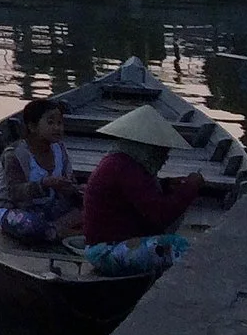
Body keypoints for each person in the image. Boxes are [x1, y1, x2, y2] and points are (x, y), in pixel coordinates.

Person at [80, 105, 205, 277]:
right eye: (161, 153)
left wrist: (165, 185)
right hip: (106, 250)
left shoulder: (122, 164)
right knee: (178, 247)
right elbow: (161, 214)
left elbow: (136, 195)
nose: (164, 159)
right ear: (147, 149)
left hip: (113, 243)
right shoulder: (124, 168)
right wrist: (190, 188)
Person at [0, 97, 82, 244]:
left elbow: (69, 181)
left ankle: (56, 230)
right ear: (32, 127)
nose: (57, 128)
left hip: (49, 207)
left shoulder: (59, 148)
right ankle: (65, 232)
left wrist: (74, 188)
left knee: (92, 207)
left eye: (60, 123)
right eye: (50, 122)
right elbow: (14, 193)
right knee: (29, 225)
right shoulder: (15, 154)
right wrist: (45, 184)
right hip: (15, 209)